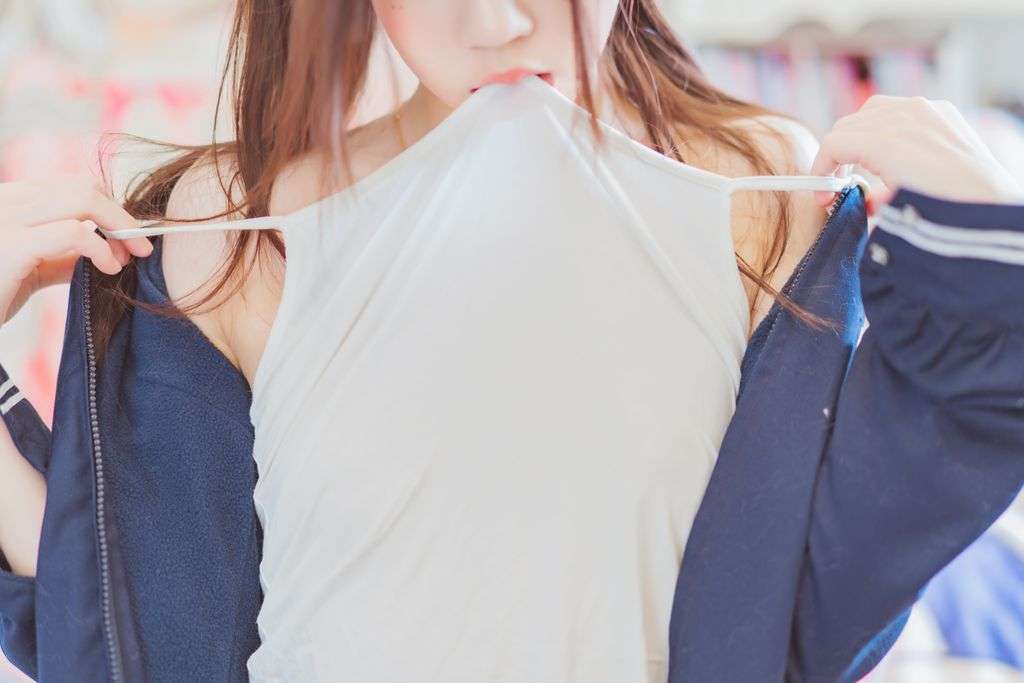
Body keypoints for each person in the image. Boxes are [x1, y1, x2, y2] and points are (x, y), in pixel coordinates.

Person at [1, 1, 1022, 681]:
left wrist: (988, 249)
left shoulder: (760, 196)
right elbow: (130, 627)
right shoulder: (234, 225)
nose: (497, 21)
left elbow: (827, 594)